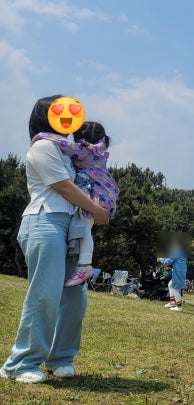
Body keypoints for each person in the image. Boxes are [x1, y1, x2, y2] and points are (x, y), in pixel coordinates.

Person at [1, 96, 109, 384]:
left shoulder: (65, 150)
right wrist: (97, 209)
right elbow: (62, 186)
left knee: (75, 298)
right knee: (45, 294)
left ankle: (61, 358)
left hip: (70, 225)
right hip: (44, 221)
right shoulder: (43, 146)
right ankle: (20, 363)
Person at [33, 122, 118, 288]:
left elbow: (62, 143)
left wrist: (40, 135)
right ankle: (81, 263)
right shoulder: (100, 149)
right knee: (85, 226)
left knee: (85, 228)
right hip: (105, 191)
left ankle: (84, 267)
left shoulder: (85, 150)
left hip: (97, 194)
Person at [160, 235, 188, 312]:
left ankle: (179, 307)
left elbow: (168, 261)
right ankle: (172, 302)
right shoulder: (181, 251)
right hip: (181, 270)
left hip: (178, 271)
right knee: (170, 285)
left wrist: (161, 259)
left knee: (175, 288)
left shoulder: (176, 250)